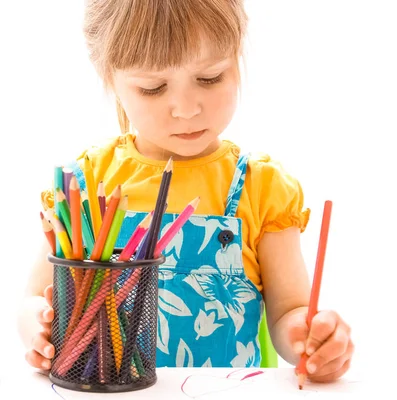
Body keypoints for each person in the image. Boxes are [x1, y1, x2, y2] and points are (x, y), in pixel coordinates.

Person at [17, 0, 353, 384]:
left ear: (237, 58)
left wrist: (309, 337)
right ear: (110, 78)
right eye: (153, 87)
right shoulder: (87, 183)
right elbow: (35, 298)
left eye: (210, 77)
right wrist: (37, 328)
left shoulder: (262, 186)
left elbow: (289, 310)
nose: (187, 109)